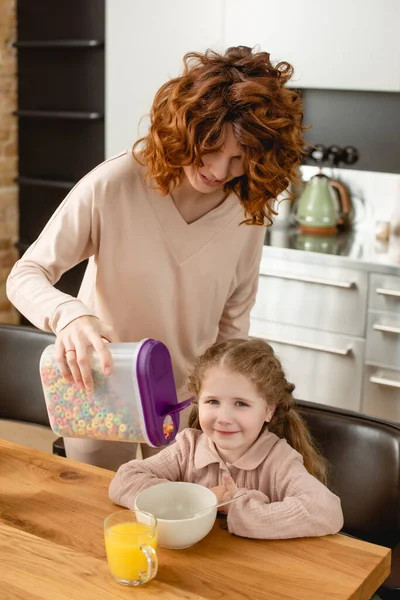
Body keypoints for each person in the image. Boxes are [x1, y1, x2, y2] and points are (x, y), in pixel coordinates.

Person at [6, 46, 305, 469]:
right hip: (98, 389)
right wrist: (69, 315)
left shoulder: (247, 214)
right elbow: (25, 274)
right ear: (188, 127)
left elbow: (232, 330)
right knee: (94, 516)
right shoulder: (116, 183)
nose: (219, 171)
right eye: (212, 146)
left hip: (184, 406)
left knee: (169, 522)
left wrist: (226, 406)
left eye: (239, 158)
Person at [109, 338, 344, 539]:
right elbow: (125, 480)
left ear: (269, 410)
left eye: (241, 404)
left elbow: (326, 511)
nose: (224, 417)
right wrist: (202, 500)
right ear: (197, 401)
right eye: (213, 401)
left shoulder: (279, 459)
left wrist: (238, 507)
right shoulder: (188, 447)